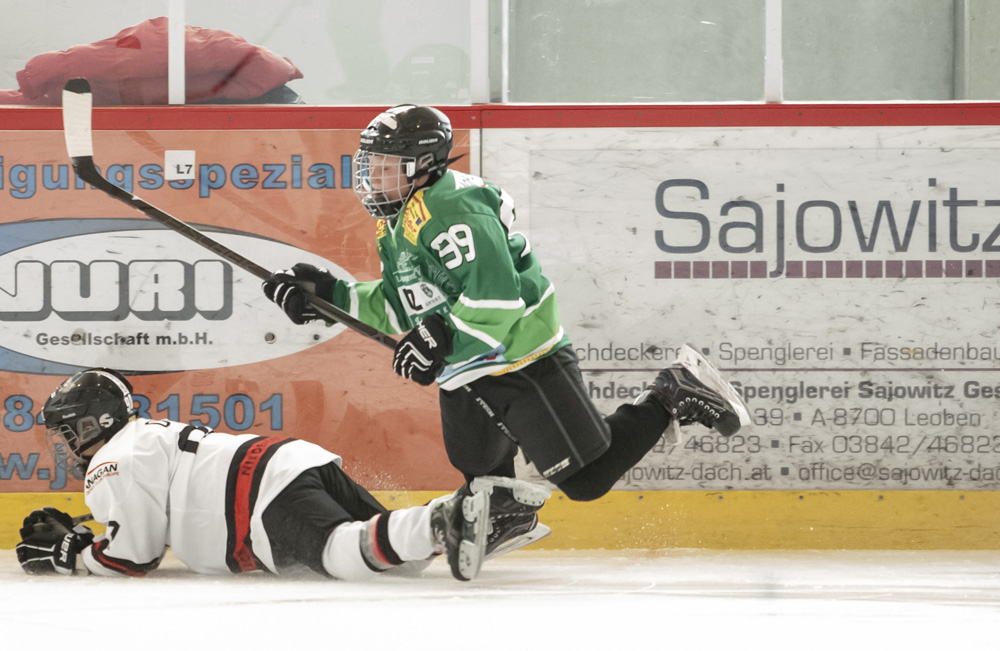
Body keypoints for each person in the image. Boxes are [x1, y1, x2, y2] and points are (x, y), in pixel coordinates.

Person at [263, 105, 749, 554]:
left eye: (386, 166)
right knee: (479, 469)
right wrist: (333, 297)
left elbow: (496, 301)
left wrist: (440, 337)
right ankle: (512, 516)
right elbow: (404, 304)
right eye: (371, 165)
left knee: (586, 479)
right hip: (467, 364)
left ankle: (671, 394)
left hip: (520, 357)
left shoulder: (453, 212)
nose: (372, 178)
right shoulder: (398, 218)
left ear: (422, 166)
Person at [15, 367, 520, 582]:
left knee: (338, 553)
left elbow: (133, 557)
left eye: (66, 431)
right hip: (290, 462)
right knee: (394, 565)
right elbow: (152, 513)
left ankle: (442, 520)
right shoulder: (142, 438)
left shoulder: (110, 460)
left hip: (258, 495)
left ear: (95, 423)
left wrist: (73, 555)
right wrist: (91, 527)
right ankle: (489, 516)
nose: (63, 444)